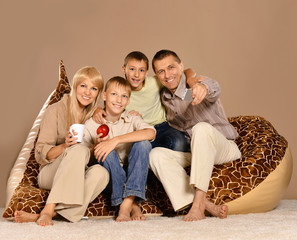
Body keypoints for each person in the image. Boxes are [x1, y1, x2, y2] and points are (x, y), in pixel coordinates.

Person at [149, 49, 242, 221]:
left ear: (181, 66)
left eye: (171, 67)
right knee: (155, 155)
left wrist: (201, 87)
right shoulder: (165, 97)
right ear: (156, 75)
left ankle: (198, 206)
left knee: (201, 128)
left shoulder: (195, 84)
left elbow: (213, 87)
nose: (167, 74)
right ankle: (207, 205)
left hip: (224, 147)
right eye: (161, 71)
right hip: (198, 152)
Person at [14, 66, 109, 226]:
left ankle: (45, 215)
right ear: (75, 86)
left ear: (98, 93)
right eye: (83, 86)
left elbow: (87, 159)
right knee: (78, 149)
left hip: (77, 172)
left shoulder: (94, 116)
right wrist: (65, 146)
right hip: (51, 172)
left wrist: (96, 147)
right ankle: (47, 210)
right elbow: (41, 155)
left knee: (102, 173)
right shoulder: (55, 110)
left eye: (93, 88)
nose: (87, 92)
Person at [93, 51, 202, 152]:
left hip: (162, 126)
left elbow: (186, 70)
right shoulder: (121, 91)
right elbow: (109, 107)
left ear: (146, 73)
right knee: (138, 149)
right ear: (124, 69)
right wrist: (97, 110)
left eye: (141, 70)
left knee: (179, 143)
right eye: (132, 69)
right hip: (140, 129)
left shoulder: (155, 82)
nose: (136, 74)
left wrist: (191, 81)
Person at [83, 76, 156, 222]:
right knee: (105, 150)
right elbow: (83, 158)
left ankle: (125, 205)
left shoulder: (132, 118)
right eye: (114, 94)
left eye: (124, 96)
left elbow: (151, 133)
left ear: (128, 100)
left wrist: (115, 141)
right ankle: (132, 204)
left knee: (144, 144)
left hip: (134, 176)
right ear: (104, 96)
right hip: (110, 179)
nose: (119, 100)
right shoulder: (92, 123)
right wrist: (97, 147)